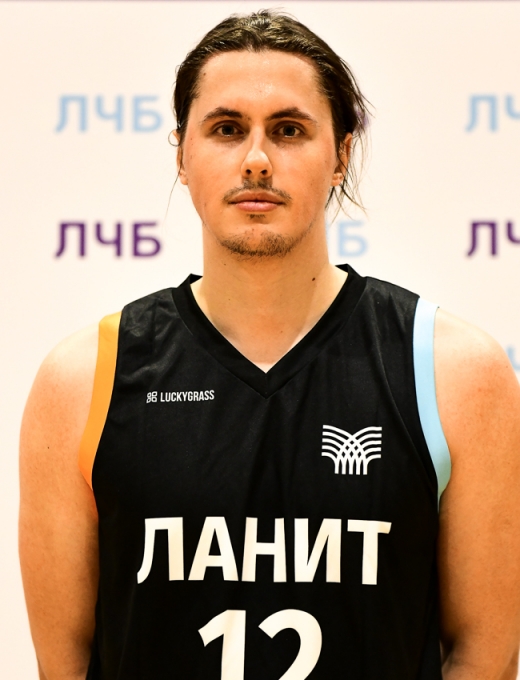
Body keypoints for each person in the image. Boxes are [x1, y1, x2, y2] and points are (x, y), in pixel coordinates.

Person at [19, 10, 520, 680]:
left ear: (341, 155)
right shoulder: (83, 380)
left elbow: (486, 657)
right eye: (227, 129)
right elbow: (64, 667)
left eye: (288, 130)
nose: (256, 160)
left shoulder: (454, 372)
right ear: (181, 155)